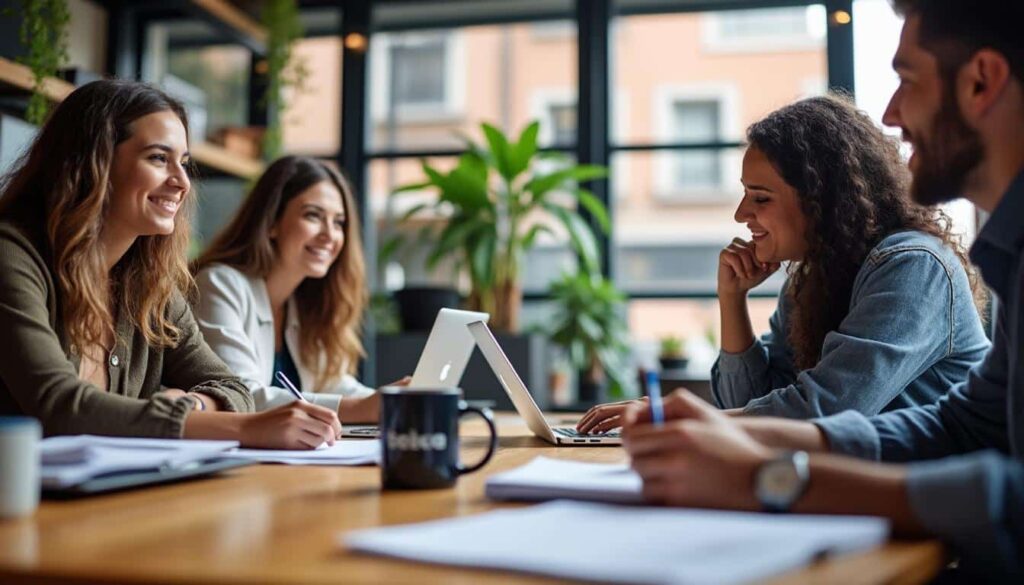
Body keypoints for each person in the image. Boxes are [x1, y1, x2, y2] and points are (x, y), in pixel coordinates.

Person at [621, 0, 1024, 579]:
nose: (890, 113)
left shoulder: (913, 264)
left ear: (981, 82)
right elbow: (964, 427)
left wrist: (760, 471)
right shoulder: (820, 275)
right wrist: (722, 422)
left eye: (906, 80)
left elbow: (830, 408)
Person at [577, 95, 990, 434]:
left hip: (937, 505)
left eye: (760, 198)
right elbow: (750, 407)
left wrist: (683, 420)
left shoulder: (913, 266)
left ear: (822, 201)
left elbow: (826, 410)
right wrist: (731, 299)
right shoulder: (812, 278)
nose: (741, 214)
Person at [0, 80, 341, 450]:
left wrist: (193, 404)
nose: (181, 182)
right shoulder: (13, 256)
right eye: (159, 158)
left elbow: (233, 388)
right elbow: (60, 405)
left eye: (184, 163)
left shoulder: (149, 285)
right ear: (94, 162)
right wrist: (241, 428)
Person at [193, 156, 403, 423]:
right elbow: (239, 397)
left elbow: (335, 384)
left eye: (338, 222)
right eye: (313, 215)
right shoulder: (219, 285)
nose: (330, 234)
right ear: (271, 222)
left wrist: (393, 400)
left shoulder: (304, 302)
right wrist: (363, 408)